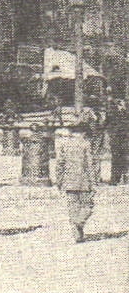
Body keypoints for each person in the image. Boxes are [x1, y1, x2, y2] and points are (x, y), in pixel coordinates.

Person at [54, 115, 98, 243]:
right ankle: (79, 223)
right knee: (88, 205)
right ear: (83, 131)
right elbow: (90, 164)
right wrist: (93, 182)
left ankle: (77, 233)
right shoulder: (85, 144)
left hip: (68, 181)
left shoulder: (64, 144)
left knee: (73, 207)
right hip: (84, 181)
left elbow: (59, 164)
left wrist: (59, 180)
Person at [105, 98, 129, 186]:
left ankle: (125, 178)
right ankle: (115, 179)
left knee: (125, 158)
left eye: (121, 104)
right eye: (118, 104)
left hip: (126, 139)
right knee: (115, 159)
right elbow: (106, 124)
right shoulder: (112, 114)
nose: (119, 106)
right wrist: (110, 134)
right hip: (115, 139)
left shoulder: (127, 113)